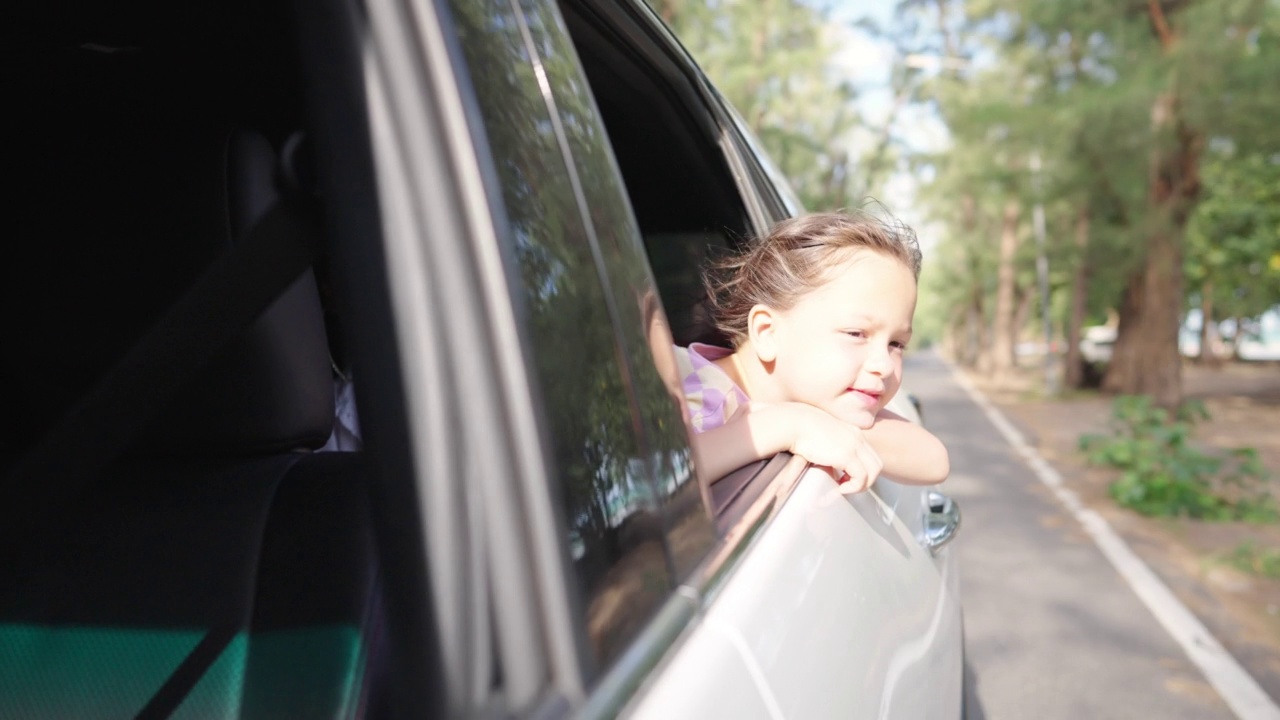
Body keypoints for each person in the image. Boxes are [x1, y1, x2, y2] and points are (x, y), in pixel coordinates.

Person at [676, 211, 949, 493]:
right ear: (767, 332)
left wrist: (804, 420)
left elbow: (934, 460)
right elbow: (654, 487)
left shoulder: (818, 398)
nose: (885, 365)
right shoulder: (686, 396)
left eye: (896, 344)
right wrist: (786, 427)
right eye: (856, 334)